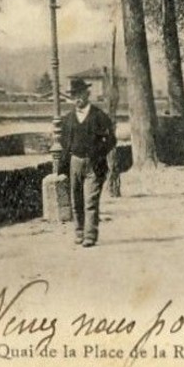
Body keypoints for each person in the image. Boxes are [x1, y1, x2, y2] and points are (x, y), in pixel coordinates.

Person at [60, 77, 116, 247]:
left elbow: (111, 139)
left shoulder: (99, 116)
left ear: (87, 94)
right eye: (74, 95)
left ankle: (90, 235)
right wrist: (68, 156)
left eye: (80, 94)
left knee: (90, 201)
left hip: (94, 164)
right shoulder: (68, 119)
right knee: (76, 199)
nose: (77, 98)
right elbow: (63, 140)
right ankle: (79, 231)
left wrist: (99, 154)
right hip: (74, 162)